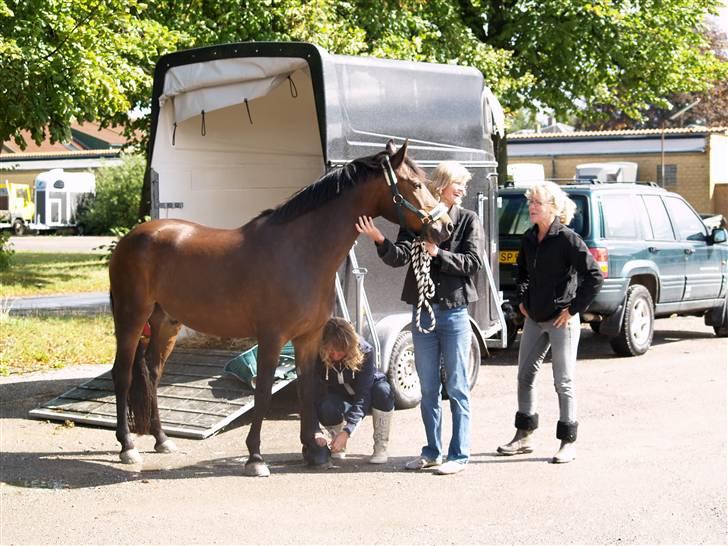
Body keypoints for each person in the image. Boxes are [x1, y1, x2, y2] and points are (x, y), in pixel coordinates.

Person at [356, 161, 483, 475]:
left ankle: (459, 455)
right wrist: (378, 240)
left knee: (456, 386)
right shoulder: (416, 219)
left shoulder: (467, 220)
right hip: (423, 310)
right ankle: (431, 451)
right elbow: (399, 257)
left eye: (464, 186)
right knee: (427, 388)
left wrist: (438, 254)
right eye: (460, 185)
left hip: (454, 311)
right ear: (441, 186)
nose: (463, 191)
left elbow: (473, 263)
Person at [497, 181, 603, 464]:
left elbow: (594, 276)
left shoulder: (568, 239)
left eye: (537, 203)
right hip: (534, 318)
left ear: (553, 208)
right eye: (530, 202)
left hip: (561, 321)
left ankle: (568, 442)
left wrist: (573, 309)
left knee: (563, 382)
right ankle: (524, 435)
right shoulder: (529, 238)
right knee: (524, 376)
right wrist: (521, 300)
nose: (531, 207)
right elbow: (520, 272)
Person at [314, 317, 395, 463]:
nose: (336, 356)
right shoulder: (317, 354)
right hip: (339, 395)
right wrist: (315, 430)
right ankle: (336, 442)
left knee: (384, 391)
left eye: (341, 352)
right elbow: (312, 394)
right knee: (326, 405)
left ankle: (381, 445)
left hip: (368, 391)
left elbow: (363, 395)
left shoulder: (365, 350)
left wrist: (348, 431)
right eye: (332, 352)